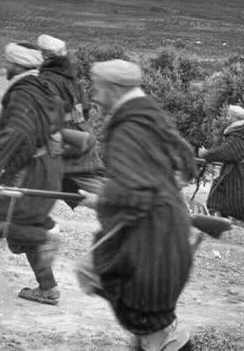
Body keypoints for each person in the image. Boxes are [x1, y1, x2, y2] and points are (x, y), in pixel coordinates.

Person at [76, 59, 196, 351]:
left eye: (98, 88)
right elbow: (186, 158)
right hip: (162, 224)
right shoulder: (148, 113)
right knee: (99, 277)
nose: (93, 95)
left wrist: (98, 200)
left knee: (147, 312)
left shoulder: (130, 126)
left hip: (152, 232)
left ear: (115, 89)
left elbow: (133, 193)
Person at [0, 42, 64, 305]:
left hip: (32, 168)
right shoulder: (45, 88)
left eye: (8, 63)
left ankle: (46, 235)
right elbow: (38, 124)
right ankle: (47, 288)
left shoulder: (23, 93)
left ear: (18, 65)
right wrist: (3, 121)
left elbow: (21, 132)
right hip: (50, 164)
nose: (6, 67)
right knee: (20, 220)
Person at [36, 34, 103, 205]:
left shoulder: (45, 79)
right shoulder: (73, 77)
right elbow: (85, 108)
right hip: (82, 131)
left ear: (44, 56)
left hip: (66, 139)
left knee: (46, 174)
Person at [199, 105, 244, 248]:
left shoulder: (238, 133)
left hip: (239, 172)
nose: (227, 117)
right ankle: (221, 228)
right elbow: (228, 151)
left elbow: (227, 152)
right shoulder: (241, 129)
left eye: (228, 115)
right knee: (218, 196)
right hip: (233, 170)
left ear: (234, 117)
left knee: (242, 206)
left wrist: (206, 154)